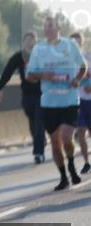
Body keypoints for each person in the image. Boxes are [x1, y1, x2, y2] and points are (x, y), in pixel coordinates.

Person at [26, 15, 87, 191]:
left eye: (51, 26)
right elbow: (29, 76)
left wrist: (77, 79)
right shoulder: (39, 49)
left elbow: (83, 67)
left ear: (58, 29)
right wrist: (43, 75)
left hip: (69, 100)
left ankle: (72, 166)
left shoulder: (70, 45)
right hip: (49, 103)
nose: (48, 29)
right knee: (55, 143)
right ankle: (63, 177)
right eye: (45, 27)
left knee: (67, 138)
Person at [0, 32, 46, 164]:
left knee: (39, 121)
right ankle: (40, 142)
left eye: (32, 41)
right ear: (23, 43)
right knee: (32, 122)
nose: (30, 43)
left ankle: (38, 152)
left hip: (42, 93)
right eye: (27, 41)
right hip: (27, 94)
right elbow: (8, 72)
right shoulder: (18, 57)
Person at [71, 32, 91, 174]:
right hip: (78, 102)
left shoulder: (89, 58)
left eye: (78, 42)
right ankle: (86, 162)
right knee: (81, 134)